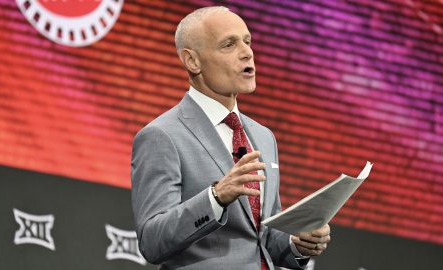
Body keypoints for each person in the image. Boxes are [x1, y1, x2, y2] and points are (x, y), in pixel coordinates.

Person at [131, 6, 331, 270]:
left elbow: (262, 236)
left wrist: (297, 242)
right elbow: (152, 241)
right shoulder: (161, 136)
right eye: (228, 44)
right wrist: (215, 198)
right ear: (192, 61)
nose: (247, 52)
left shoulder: (263, 136)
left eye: (247, 41)